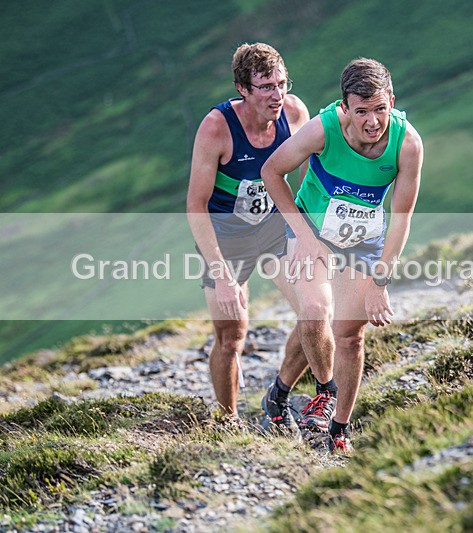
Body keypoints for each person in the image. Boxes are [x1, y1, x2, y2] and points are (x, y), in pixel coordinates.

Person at [261, 58, 424, 453]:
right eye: (362, 111)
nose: (372, 121)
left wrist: (380, 283)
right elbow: (271, 172)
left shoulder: (407, 144)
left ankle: (334, 429)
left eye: (380, 109)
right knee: (316, 312)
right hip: (309, 231)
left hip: (363, 244)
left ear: (392, 101)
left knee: (348, 338)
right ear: (345, 108)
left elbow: (401, 220)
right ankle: (325, 391)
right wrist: (305, 237)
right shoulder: (323, 129)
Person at [186, 43, 310, 436]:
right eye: (265, 87)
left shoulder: (294, 112)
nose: (277, 95)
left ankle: (279, 393)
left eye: (282, 83)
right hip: (226, 234)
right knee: (230, 337)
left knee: (315, 314)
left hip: (273, 226)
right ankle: (228, 422)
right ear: (243, 88)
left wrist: (308, 233)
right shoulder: (217, 127)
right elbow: (195, 204)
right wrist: (222, 275)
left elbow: (309, 176)